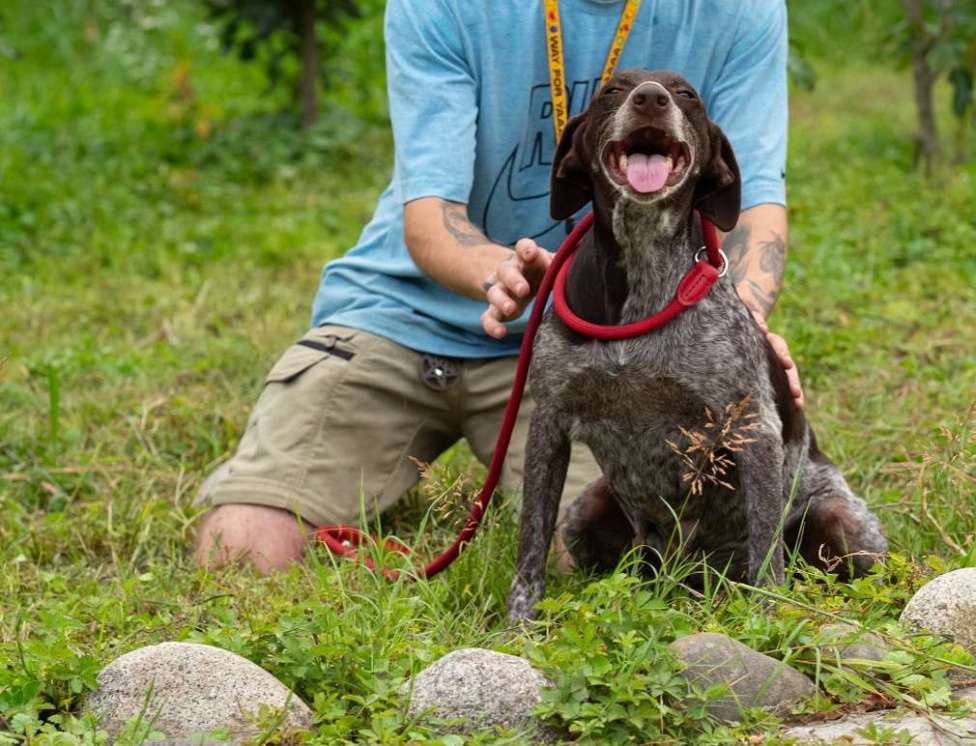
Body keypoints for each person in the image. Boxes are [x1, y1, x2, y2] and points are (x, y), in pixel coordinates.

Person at [194, 0, 802, 574]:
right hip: (398, 318)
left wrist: (741, 327)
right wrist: (506, 273)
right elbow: (431, 218)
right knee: (240, 549)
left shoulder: (738, 9)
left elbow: (754, 211)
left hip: (601, 353)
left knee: (592, 556)